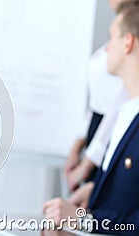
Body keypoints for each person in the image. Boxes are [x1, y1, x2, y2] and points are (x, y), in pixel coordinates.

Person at [44, 1, 139, 234]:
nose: (106, 49)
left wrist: (86, 220)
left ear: (128, 43)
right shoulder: (124, 115)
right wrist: (96, 191)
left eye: (112, 38)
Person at [64, 0, 129, 192]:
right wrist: (78, 146)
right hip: (95, 130)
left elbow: (119, 103)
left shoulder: (130, 28)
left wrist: (87, 165)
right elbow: (98, 99)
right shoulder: (117, 27)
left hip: (111, 136)